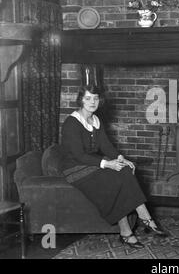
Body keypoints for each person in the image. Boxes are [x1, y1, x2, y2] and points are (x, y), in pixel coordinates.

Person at [60, 84, 167, 249]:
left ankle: (136, 224)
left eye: (95, 98)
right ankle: (141, 222)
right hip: (74, 168)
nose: (92, 102)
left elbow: (106, 146)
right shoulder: (71, 123)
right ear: (80, 100)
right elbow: (79, 155)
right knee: (113, 179)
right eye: (88, 98)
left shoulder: (96, 120)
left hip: (92, 162)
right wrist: (107, 164)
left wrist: (120, 158)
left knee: (124, 169)